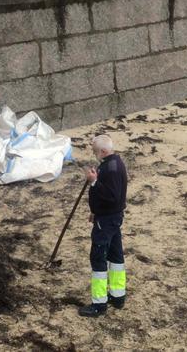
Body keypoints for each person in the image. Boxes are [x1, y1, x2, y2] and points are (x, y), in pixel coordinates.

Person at [78, 134, 128, 318]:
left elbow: (111, 196)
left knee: (98, 258)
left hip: (106, 221)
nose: (94, 154)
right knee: (116, 256)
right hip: (111, 217)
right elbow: (109, 196)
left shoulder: (112, 169)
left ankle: (99, 304)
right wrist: (95, 210)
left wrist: (93, 182)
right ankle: (117, 296)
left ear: (103, 151)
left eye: (95, 151)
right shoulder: (113, 163)